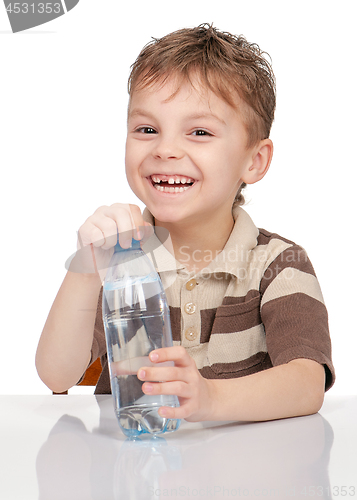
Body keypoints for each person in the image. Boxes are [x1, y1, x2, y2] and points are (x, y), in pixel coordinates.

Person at [36, 24, 335, 423]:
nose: (166, 149)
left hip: (246, 479)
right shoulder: (119, 256)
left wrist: (210, 397)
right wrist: (88, 267)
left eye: (199, 131)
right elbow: (57, 375)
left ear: (255, 161)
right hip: (133, 473)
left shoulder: (279, 264)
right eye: (147, 129)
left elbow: (306, 383)